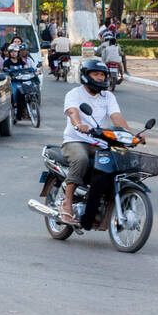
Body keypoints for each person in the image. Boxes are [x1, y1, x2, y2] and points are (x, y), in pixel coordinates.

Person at [60, 59, 132, 227]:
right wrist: (79, 125)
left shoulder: (108, 96)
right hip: (75, 140)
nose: (100, 78)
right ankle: (67, 202)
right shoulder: (74, 94)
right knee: (81, 159)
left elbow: (116, 117)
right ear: (86, 76)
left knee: (121, 161)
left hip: (99, 143)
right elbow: (72, 111)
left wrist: (131, 134)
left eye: (102, 74)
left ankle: (103, 204)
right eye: (96, 74)